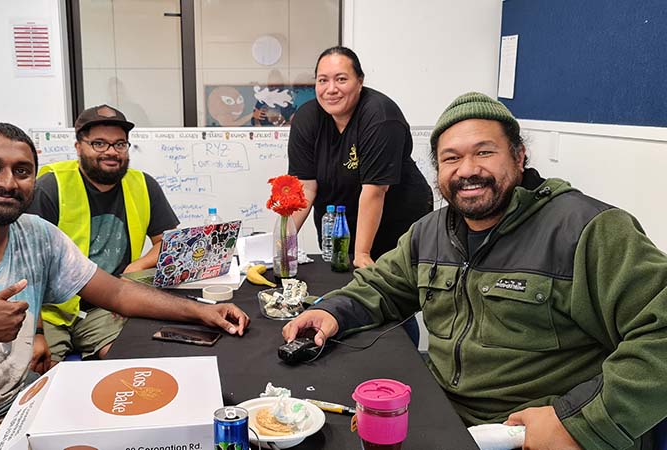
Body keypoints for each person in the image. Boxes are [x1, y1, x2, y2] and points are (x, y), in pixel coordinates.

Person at [283, 92, 667, 450]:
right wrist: (333, 311)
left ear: (519, 157)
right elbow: (383, 286)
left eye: (484, 152)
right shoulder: (430, 232)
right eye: (451, 158)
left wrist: (580, 422)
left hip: (531, 433)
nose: (467, 170)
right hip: (445, 417)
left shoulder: (587, 229)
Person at [0, 123, 249, 450]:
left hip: (20, 403)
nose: (7, 182)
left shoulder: (36, 235)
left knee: (155, 421)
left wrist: (203, 311)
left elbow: (116, 292)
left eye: (22, 171)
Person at [28, 104, 179, 362]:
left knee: (130, 361)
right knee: (42, 373)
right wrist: (37, 332)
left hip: (107, 305)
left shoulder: (143, 184)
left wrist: (136, 267)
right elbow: (27, 266)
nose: (111, 152)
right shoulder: (50, 187)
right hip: (50, 310)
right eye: (99, 144)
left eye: (119, 144)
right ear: (79, 147)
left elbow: (167, 242)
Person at [288, 46, 433, 269]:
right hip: (341, 222)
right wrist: (283, 243)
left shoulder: (380, 117)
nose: (331, 89)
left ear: (360, 81)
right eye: (323, 80)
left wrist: (362, 253)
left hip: (394, 220)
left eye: (341, 79)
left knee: (385, 277)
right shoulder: (307, 118)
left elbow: (375, 190)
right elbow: (305, 188)